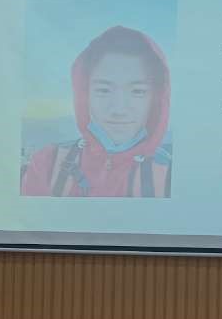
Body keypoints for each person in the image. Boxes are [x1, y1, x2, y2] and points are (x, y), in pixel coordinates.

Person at [21, 25, 172, 198]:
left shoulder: (170, 175)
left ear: (155, 99)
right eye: (103, 90)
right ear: (85, 94)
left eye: (138, 91)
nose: (118, 110)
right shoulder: (47, 164)